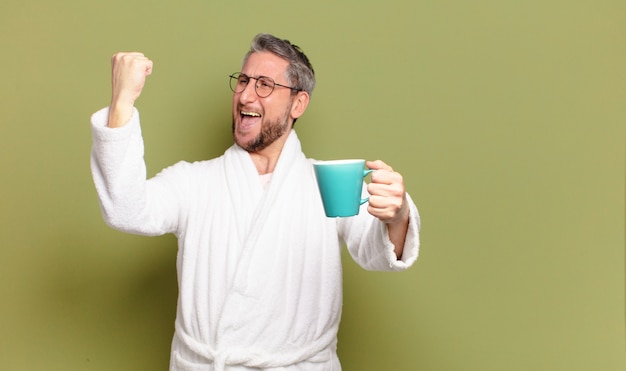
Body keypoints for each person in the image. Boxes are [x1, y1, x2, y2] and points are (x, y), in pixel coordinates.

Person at [90, 33, 421, 371]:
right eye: (244, 81)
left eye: (264, 84)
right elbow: (125, 209)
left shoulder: (326, 183)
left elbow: (377, 252)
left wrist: (397, 215)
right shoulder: (194, 182)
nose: (246, 94)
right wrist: (122, 103)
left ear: (298, 104)